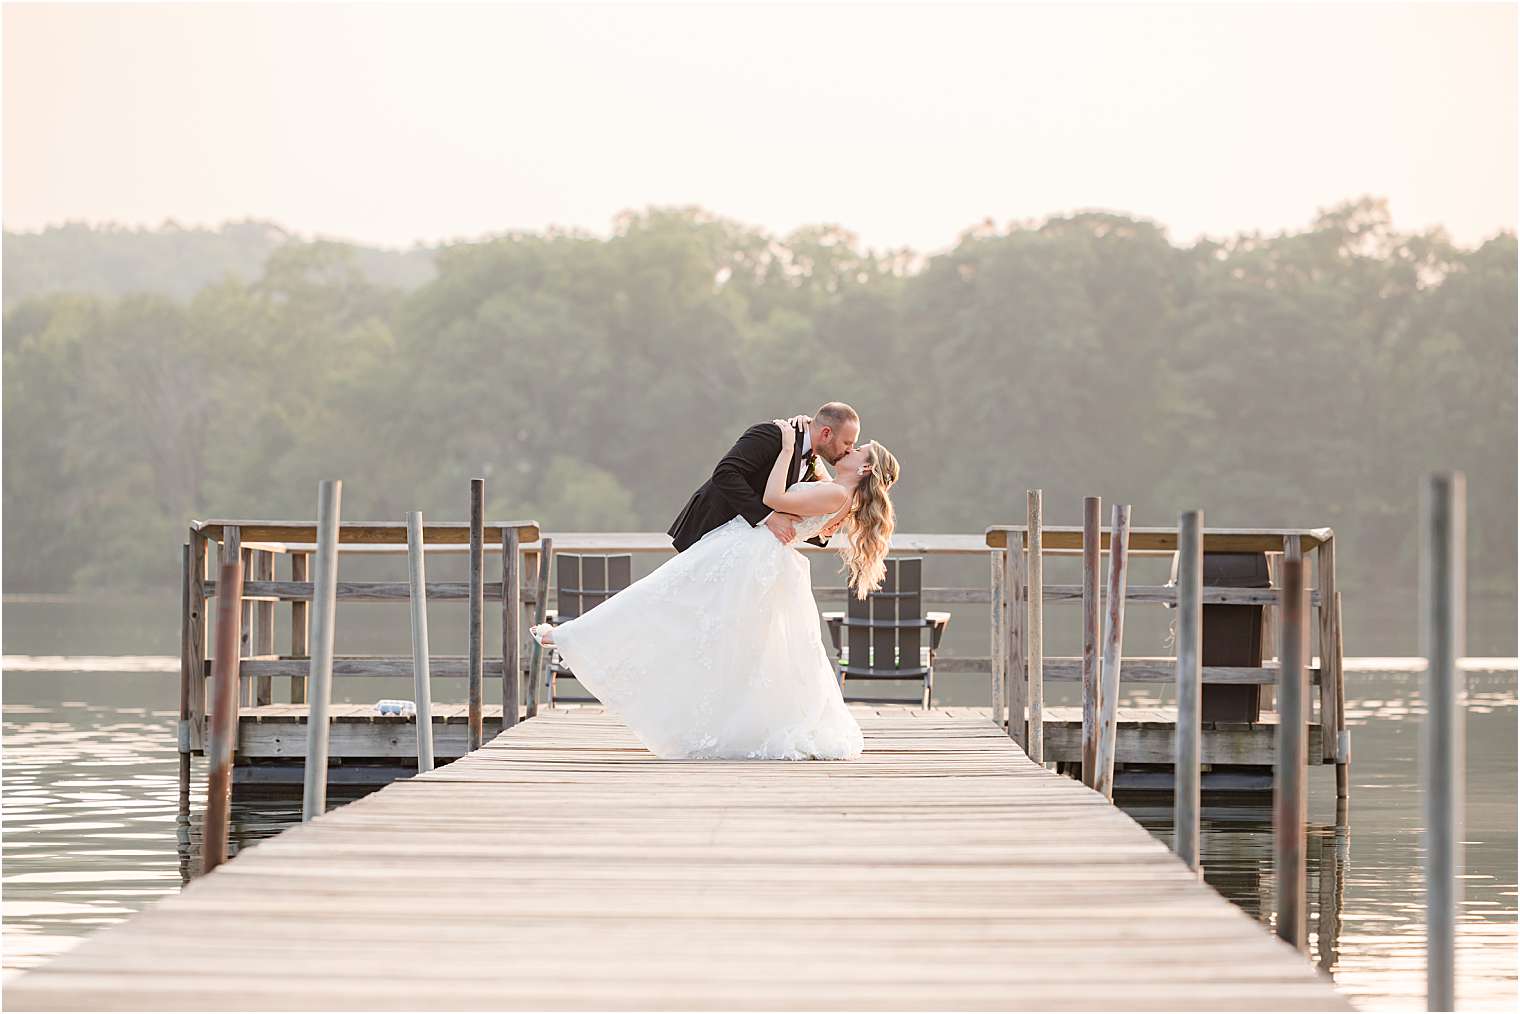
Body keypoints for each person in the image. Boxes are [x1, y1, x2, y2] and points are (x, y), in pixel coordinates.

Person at [530, 411, 900, 760]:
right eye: (849, 442)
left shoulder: (826, 480)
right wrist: (789, 507)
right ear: (825, 433)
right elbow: (731, 476)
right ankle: (580, 640)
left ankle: (579, 641)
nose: (850, 449)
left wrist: (786, 466)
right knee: (698, 620)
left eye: (857, 448)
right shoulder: (796, 455)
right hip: (747, 550)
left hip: (751, 555)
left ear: (865, 466)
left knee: (673, 604)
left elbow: (778, 500)